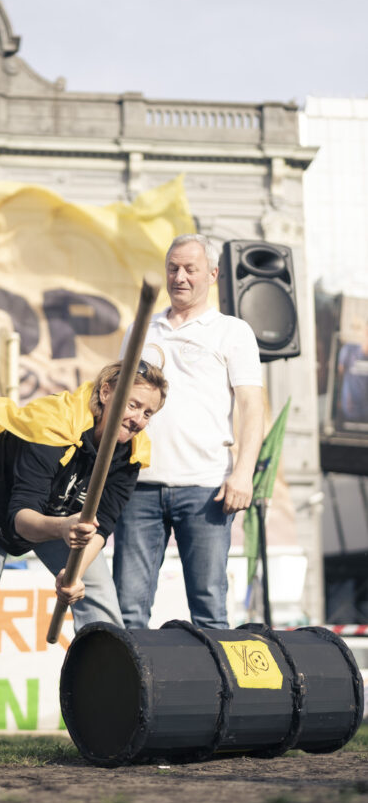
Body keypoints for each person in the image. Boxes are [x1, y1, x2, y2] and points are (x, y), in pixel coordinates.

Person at [0, 361, 167, 671]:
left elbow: (102, 526)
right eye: (133, 405)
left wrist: (73, 576)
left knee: (100, 602)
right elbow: (21, 518)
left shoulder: (133, 453)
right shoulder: (52, 421)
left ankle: (109, 691)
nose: (138, 420)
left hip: (59, 516)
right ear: (106, 392)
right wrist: (62, 527)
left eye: (148, 413)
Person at [112, 233, 264, 630]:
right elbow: (118, 401)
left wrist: (243, 473)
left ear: (212, 274)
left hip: (205, 487)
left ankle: (217, 676)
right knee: (128, 611)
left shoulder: (232, 331)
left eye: (190, 269)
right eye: (173, 268)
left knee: (210, 610)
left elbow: (252, 408)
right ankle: (133, 675)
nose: (179, 277)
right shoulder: (141, 329)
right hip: (139, 484)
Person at [336, 321, 368, 427]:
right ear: (365, 331)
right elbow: (339, 376)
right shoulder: (349, 350)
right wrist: (339, 400)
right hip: (350, 411)